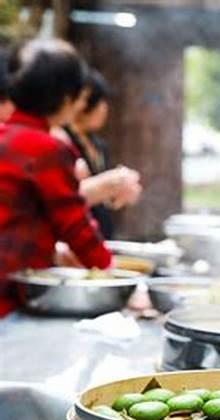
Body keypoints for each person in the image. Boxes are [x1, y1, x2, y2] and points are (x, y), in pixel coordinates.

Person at [0, 39, 112, 317]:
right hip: (6, 294)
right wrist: (110, 274)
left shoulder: (6, 136)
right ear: (66, 99)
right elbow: (74, 222)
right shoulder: (47, 149)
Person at [58, 69, 141, 238]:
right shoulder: (60, 139)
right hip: (73, 235)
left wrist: (117, 192)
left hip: (99, 232)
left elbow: (101, 197)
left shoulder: (99, 145)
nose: (104, 110)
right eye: (99, 102)